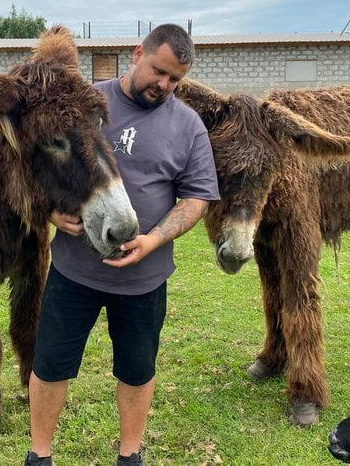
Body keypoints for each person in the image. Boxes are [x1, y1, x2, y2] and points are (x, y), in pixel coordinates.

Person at [24, 24, 220, 466]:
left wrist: (153, 240)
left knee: (136, 370)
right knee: (50, 364)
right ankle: (39, 456)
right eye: (159, 71)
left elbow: (198, 198)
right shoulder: (83, 102)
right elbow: (34, 165)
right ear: (138, 54)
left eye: (175, 80)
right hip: (73, 271)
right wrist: (49, 210)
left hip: (143, 280)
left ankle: (130, 455)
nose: (165, 86)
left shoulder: (187, 126)